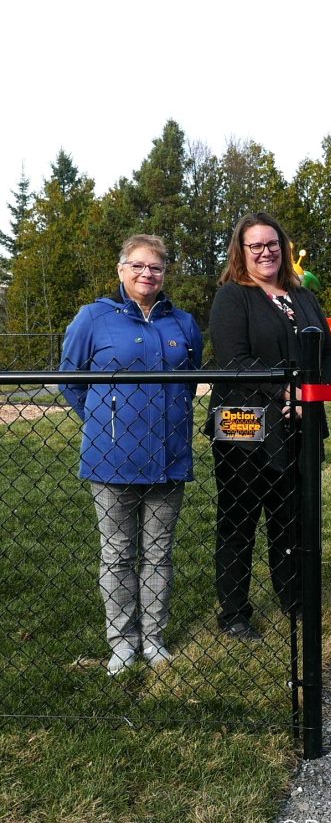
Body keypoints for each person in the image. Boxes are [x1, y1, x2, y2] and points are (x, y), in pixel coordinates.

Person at [60, 234, 203, 676]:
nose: (147, 274)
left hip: (169, 457)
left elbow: (190, 379)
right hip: (111, 459)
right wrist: (105, 419)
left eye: (155, 267)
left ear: (164, 274)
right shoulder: (94, 318)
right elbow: (71, 379)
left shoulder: (182, 323)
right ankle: (122, 641)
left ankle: (154, 637)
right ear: (121, 270)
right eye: (138, 265)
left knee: (159, 553)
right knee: (118, 553)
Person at [207, 212, 331, 640]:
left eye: (272, 243)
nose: (266, 252)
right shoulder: (232, 297)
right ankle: (234, 611)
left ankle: (292, 597)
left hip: (299, 423)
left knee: (290, 518)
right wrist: (286, 391)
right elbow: (234, 359)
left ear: (282, 246)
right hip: (245, 427)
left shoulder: (302, 296)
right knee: (239, 519)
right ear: (241, 251)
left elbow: (329, 356)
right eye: (256, 245)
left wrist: (309, 393)